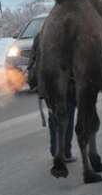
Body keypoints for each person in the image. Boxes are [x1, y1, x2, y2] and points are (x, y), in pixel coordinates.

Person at [27, 32, 76, 162]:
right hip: (66, 84)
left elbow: (32, 60)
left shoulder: (40, 35)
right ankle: (64, 151)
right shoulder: (66, 35)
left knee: (54, 116)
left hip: (46, 85)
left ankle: (55, 149)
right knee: (67, 116)